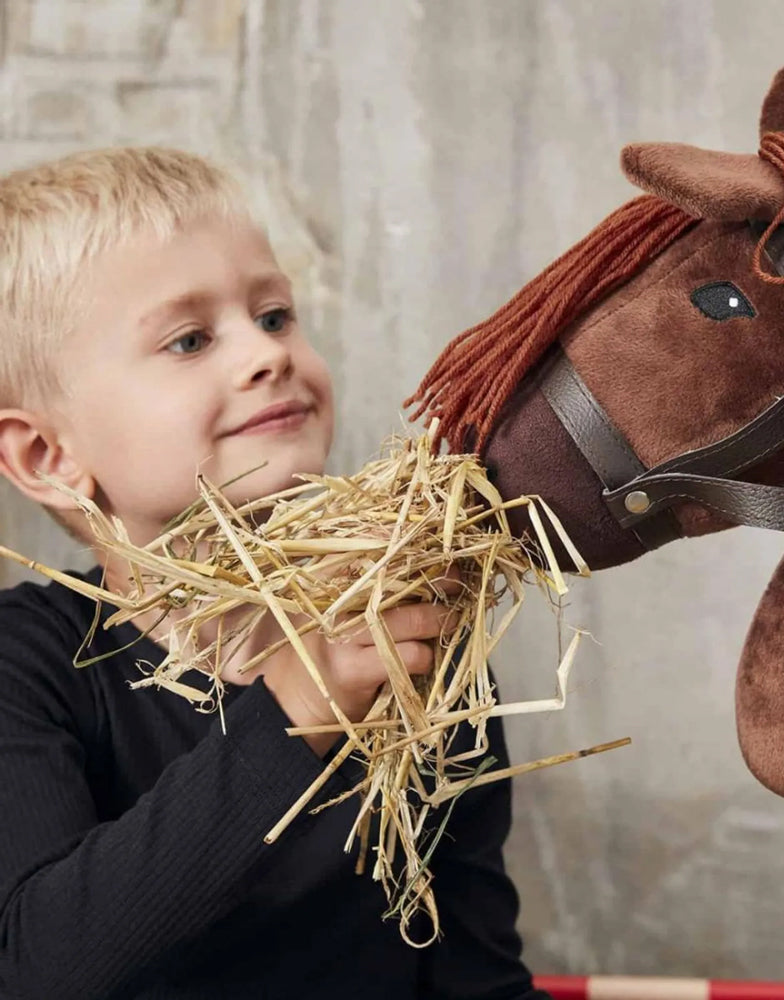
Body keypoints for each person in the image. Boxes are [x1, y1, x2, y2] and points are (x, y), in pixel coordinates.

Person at [0, 147, 549, 1000]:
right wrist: (296, 710)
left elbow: (471, 972)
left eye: (276, 315)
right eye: (189, 339)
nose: (266, 355)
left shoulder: (415, 645)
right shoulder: (25, 664)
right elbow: (40, 967)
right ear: (47, 455)